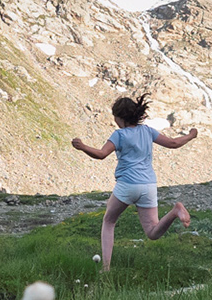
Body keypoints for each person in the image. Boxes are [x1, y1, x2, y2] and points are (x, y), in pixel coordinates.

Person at [70, 93, 198, 268]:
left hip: (128, 185)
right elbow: (173, 143)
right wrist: (191, 135)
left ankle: (106, 268)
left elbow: (101, 154)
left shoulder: (119, 135)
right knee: (153, 232)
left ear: (120, 117)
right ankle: (175, 211)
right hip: (149, 186)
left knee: (109, 221)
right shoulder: (148, 131)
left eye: (115, 117)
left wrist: (83, 146)